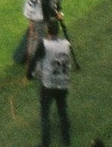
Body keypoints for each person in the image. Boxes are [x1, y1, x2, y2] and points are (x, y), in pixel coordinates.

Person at [25, 18, 77, 147]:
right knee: (62, 110)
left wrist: (29, 75)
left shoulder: (44, 44)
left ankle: (45, 144)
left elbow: (34, 60)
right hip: (63, 82)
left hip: (49, 84)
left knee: (45, 114)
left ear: (47, 30)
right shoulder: (66, 43)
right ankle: (66, 140)